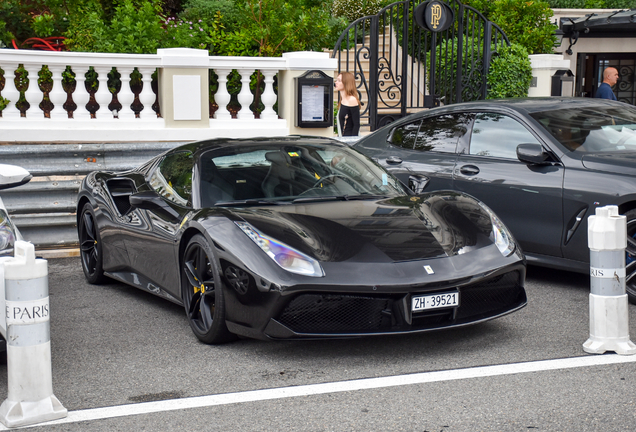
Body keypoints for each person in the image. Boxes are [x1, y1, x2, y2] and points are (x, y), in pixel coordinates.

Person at [335, 72, 360, 136]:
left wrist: (352, 141)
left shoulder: (352, 100)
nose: (336, 82)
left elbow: (356, 125)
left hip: (349, 138)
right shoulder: (343, 99)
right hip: (342, 137)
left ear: (346, 83)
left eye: (339, 81)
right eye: (337, 80)